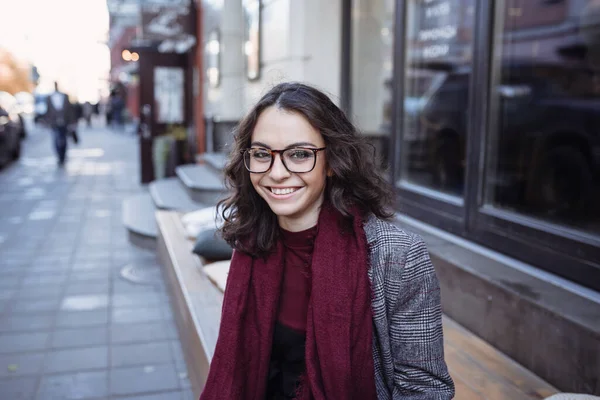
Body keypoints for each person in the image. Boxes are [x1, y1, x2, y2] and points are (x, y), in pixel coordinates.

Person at [200, 82, 455, 399]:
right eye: (262, 153)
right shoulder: (253, 242)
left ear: (333, 162)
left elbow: (425, 389)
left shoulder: (398, 256)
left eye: (299, 154)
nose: (277, 173)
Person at [44, 82, 76, 166]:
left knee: (64, 140)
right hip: (54, 123)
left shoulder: (65, 96)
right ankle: (59, 156)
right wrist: (47, 121)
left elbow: (69, 110)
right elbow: (47, 111)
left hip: (64, 122)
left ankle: (63, 156)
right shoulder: (49, 97)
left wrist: (72, 122)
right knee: (56, 139)